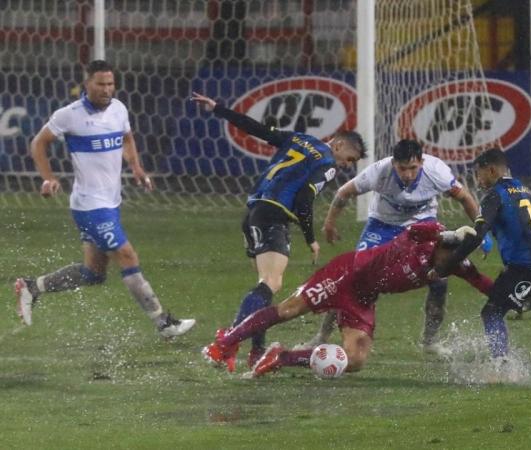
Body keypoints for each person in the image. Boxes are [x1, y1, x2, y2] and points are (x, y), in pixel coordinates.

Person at [14, 60, 195, 338]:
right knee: (127, 255)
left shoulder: (119, 109)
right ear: (87, 84)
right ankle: (163, 323)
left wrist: (135, 167)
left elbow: (127, 138)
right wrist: (48, 178)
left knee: (93, 273)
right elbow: (38, 143)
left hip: (111, 203)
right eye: (101, 84)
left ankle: (32, 286)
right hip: (89, 206)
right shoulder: (69, 115)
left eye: (111, 84)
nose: (107, 89)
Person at [191, 91, 366, 367]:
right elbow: (304, 200)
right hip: (274, 216)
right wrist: (311, 239)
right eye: (349, 159)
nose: (346, 166)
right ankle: (226, 342)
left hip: (253, 212)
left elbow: (256, 129)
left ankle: (255, 351)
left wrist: (219, 108)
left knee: (266, 284)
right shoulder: (326, 163)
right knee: (270, 284)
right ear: (340, 144)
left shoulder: (299, 139)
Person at [202, 221, 493, 377]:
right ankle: (224, 342)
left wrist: (517, 295)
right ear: (442, 245)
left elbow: (482, 283)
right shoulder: (423, 240)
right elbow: (416, 229)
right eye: (449, 255)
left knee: (355, 360)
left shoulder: (456, 264)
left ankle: (281, 357)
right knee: (289, 309)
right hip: (345, 274)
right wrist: (449, 232)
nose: (448, 265)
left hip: (364, 297)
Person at [299, 139, 487, 357]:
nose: (407, 174)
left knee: (439, 281)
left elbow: (464, 198)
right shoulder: (380, 171)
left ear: (422, 162)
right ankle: (321, 336)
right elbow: (344, 192)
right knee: (353, 278)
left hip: (423, 225)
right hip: (382, 226)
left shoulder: (437, 171)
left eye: (413, 168)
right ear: (393, 163)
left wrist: (480, 232)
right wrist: (329, 224)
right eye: (402, 168)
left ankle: (430, 341)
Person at [429, 148, 531, 376]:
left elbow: (478, 235)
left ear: (491, 170)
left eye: (478, 174)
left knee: (491, 312)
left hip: (528, 265)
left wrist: (446, 265)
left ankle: (501, 365)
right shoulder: (526, 191)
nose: (478, 180)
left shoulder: (494, 195)